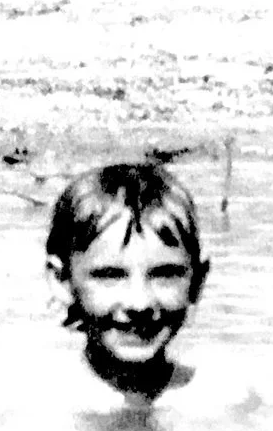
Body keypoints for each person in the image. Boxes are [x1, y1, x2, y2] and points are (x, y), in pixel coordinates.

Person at [44, 162, 208, 404]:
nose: (139, 303)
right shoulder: (36, 404)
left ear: (197, 282)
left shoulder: (224, 400)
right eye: (110, 275)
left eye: (165, 275)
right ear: (61, 281)